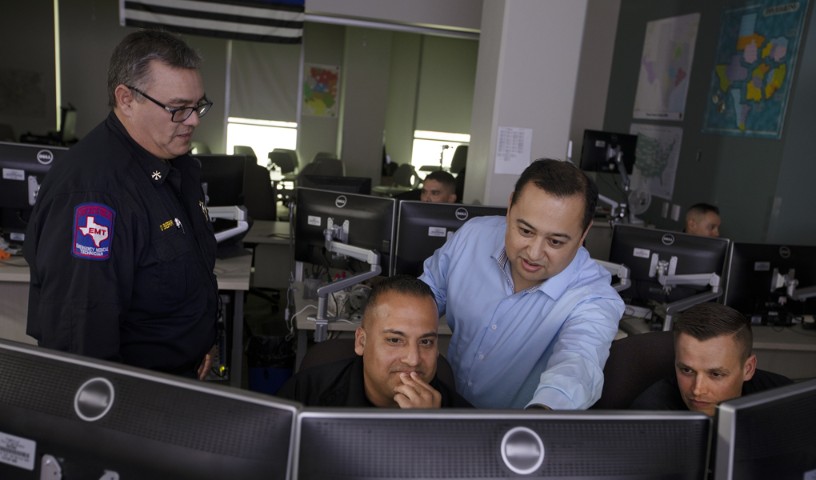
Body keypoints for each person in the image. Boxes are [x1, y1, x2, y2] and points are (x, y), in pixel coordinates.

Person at [24, 30, 219, 379]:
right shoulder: (93, 193)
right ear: (126, 99)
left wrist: (202, 341)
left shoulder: (178, 162)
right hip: (132, 398)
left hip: (181, 381)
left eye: (198, 105)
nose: (194, 120)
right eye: (178, 108)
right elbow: (79, 338)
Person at [419, 158, 625, 409]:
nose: (534, 253)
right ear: (509, 207)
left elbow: (577, 366)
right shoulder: (474, 236)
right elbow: (425, 296)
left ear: (583, 234)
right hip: (443, 405)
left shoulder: (595, 297)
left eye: (556, 242)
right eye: (526, 231)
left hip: (514, 434)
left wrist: (542, 416)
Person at [277, 275, 472, 408]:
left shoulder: (463, 421)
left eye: (426, 342)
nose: (413, 359)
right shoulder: (306, 394)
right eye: (395, 340)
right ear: (361, 342)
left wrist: (431, 431)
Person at [630, 303, 792, 416]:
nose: (697, 390)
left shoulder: (785, 400)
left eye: (716, 374)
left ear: (748, 369)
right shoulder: (649, 417)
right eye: (686, 370)